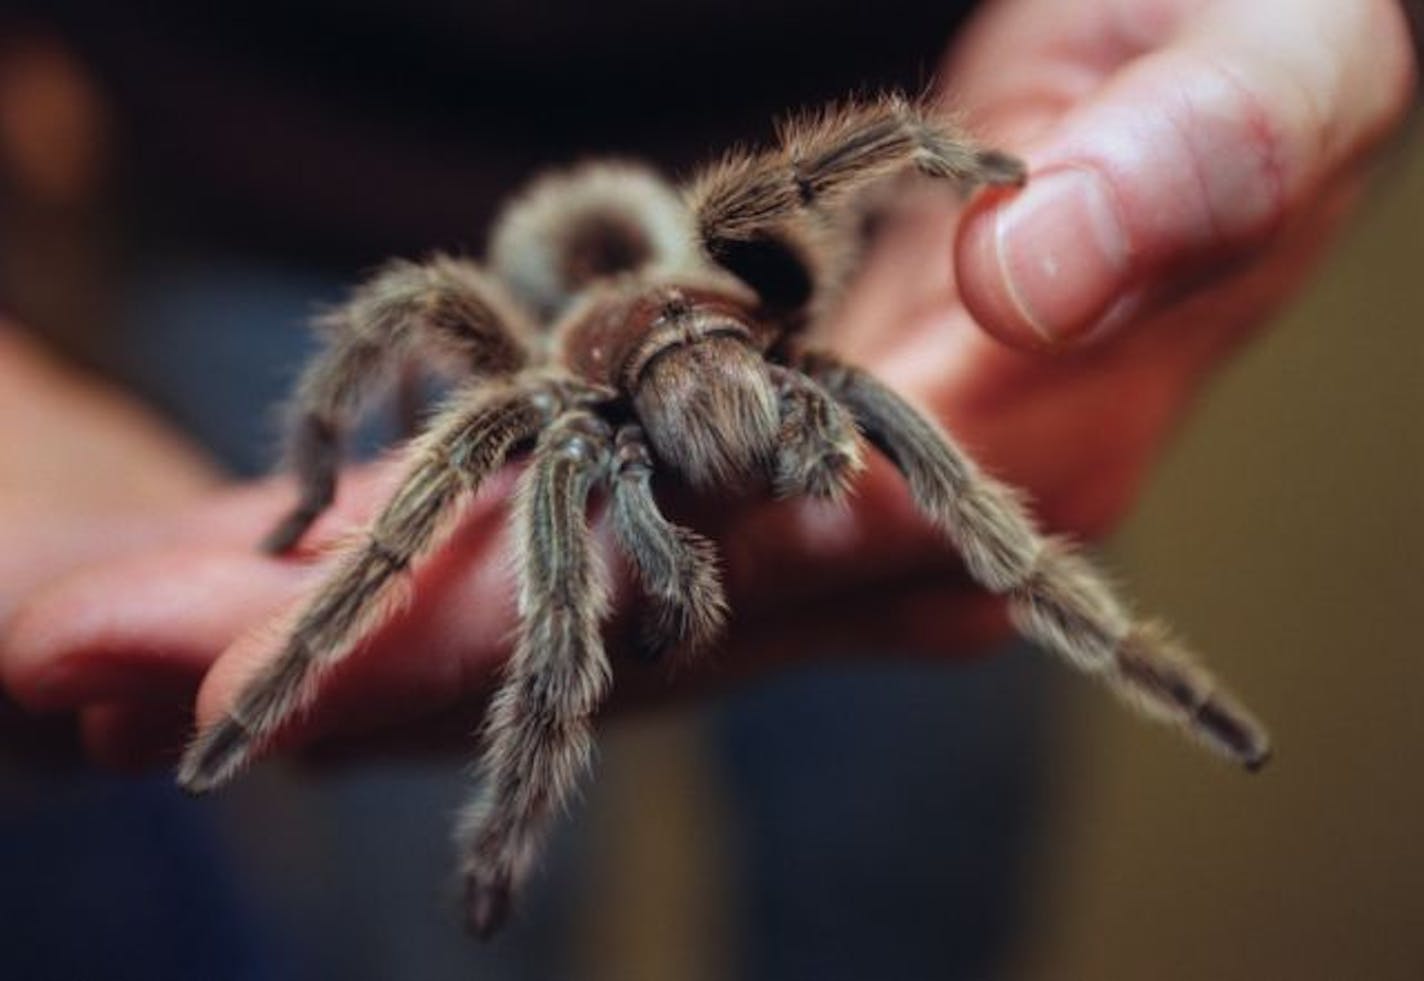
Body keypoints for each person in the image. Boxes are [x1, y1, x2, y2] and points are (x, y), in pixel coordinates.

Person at [0, 0, 1417, 977]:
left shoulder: (802, 334)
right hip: (275, 178)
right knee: (434, 872)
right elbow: (438, 461)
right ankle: (499, 839)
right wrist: (320, 530)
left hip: (832, 96)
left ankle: (1145, 670)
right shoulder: (554, 412)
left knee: (910, 812)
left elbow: (849, 163)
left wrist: (981, 168)